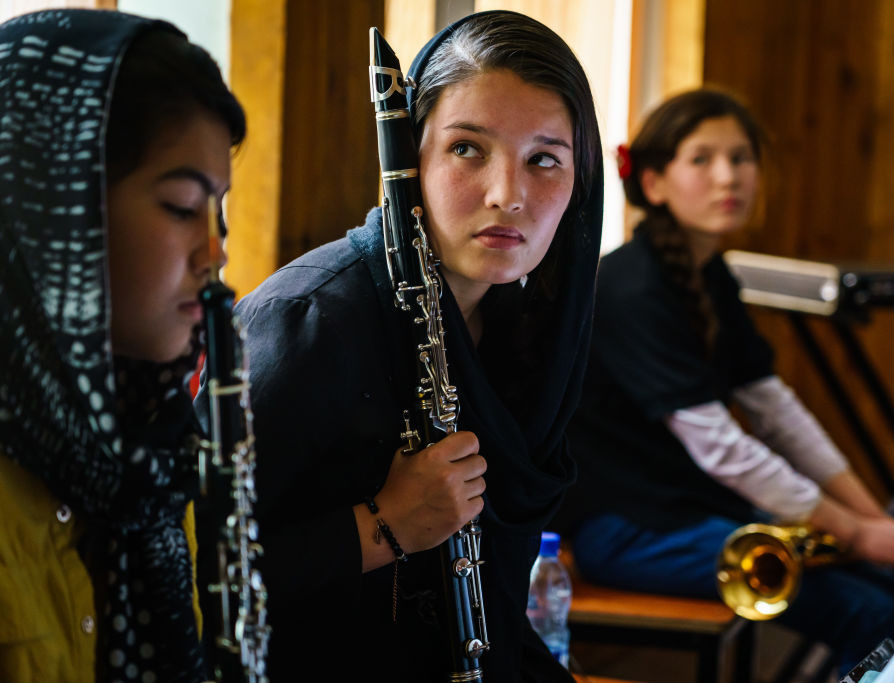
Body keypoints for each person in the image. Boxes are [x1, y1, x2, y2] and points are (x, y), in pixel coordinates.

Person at [199, 9, 602, 681]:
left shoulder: (525, 332)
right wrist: (380, 525)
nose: (508, 194)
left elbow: (491, 615)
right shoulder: (309, 321)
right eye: (468, 149)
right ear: (410, 157)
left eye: (543, 160)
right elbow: (187, 569)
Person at [555, 88, 894, 675]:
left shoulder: (711, 277)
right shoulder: (631, 287)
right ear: (655, 183)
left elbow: (778, 413)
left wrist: (876, 523)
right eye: (703, 159)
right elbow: (722, 448)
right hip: (628, 531)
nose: (728, 177)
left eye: (741, 158)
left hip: (692, 511)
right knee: (869, 612)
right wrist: (858, 533)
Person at [0, 9, 245, 682]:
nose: (215, 252)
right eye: (180, 207)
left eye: (219, 211)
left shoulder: (154, 446)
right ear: (52, 213)